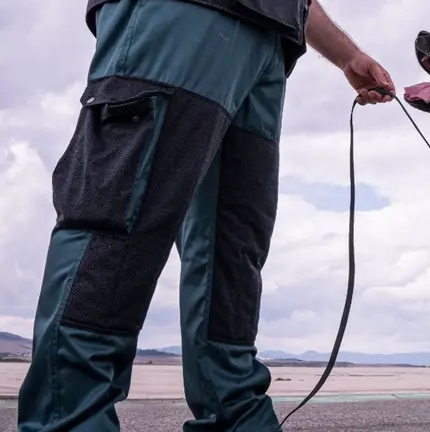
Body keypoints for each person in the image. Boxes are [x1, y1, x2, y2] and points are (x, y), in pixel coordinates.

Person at [17, 0, 395, 430]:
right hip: (182, 13)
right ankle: (70, 419)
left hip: (269, 39)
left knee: (231, 251)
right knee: (118, 214)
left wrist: (347, 54)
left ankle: (238, 418)